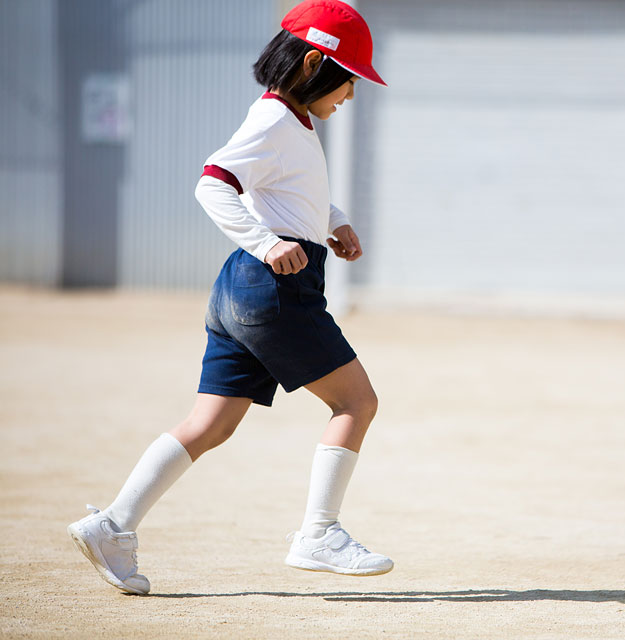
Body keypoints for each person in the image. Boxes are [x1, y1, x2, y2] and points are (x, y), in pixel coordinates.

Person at [67, 0, 391, 595]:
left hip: (240, 291)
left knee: (210, 423)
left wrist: (333, 219)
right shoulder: (273, 121)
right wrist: (268, 244)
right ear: (314, 64)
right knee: (356, 402)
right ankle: (319, 534)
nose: (350, 94)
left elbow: (288, 193)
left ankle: (112, 525)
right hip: (273, 288)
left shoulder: (289, 121)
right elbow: (212, 183)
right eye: (348, 79)